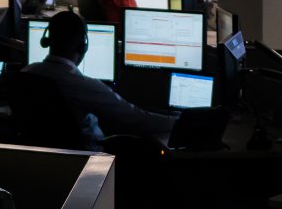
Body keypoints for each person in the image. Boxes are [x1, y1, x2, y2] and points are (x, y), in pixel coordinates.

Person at [22, 10, 172, 148]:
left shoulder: (26, 73)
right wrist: (177, 122)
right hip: (90, 158)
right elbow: (136, 119)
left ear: (47, 41)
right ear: (83, 46)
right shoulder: (82, 85)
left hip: (44, 157)